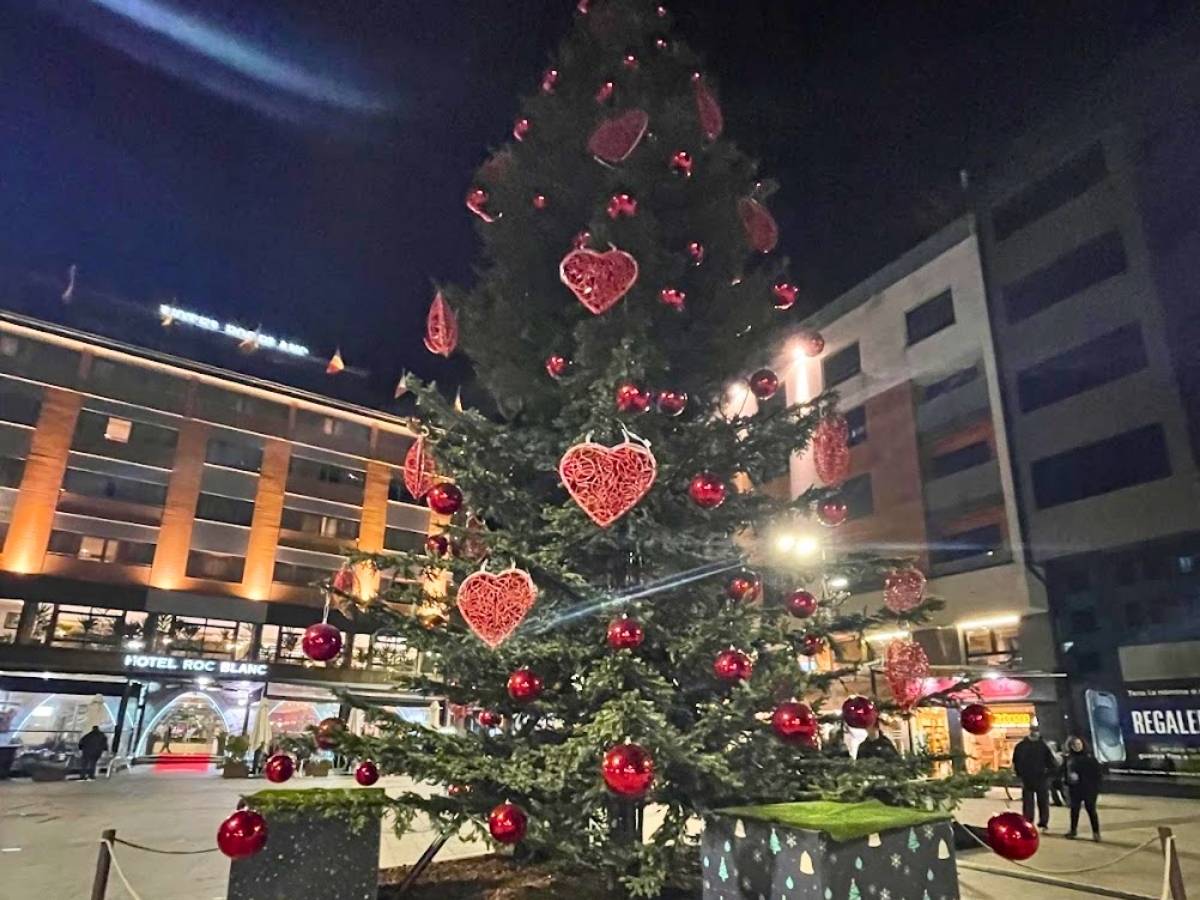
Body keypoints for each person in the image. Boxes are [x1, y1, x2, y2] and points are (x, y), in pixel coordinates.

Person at [1012, 727, 1055, 830]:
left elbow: (1050, 762)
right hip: (1027, 778)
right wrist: (1019, 774)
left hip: (1041, 778)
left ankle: (1043, 822)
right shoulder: (1021, 746)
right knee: (1028, 802)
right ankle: (1028, 821)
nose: (1035, 733)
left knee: (1043, 801)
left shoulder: (1043, 746)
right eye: (1033, 731)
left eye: (1036, 731)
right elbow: (1016, 761)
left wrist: (1048, 773)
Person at [1063, 736, 1103, 841]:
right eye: (1075, 745)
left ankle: (1096, 833)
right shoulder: (1069, 758)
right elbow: (1065, 772)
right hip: (1075, 789)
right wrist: (1068, 780)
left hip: (1089, 788)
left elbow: (1098, 773)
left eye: (1079, 744)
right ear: (1071, 746)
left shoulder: (1089, 757)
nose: (1077, 746)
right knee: (1074, 810)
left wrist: (1095, 787)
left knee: (1091, 810)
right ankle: (1073, 830)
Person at [1047, 740, 1067, 806]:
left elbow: (1059, 763)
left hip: (1058, 774)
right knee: (1053, 789)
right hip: (1052, 774)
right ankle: (1057, 802)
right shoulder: (1050, 755)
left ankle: (1068, 801)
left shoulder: (1059, 755)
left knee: (1061, 789)